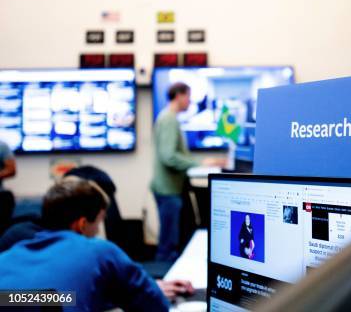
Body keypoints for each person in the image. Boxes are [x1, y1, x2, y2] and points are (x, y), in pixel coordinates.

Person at [0, 178, 194, 310]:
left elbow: (53, 299)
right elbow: (156, 306)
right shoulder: (98, 250)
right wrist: (144, 290)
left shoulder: (9, 256)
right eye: (99, 222)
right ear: (82, 224)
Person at [151, 82, 201, 262]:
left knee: (172, 239)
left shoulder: (169, 117)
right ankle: (164, 286)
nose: (190, 101)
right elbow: (169, 156)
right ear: (179, 95)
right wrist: (197, 164)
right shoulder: (169, 119)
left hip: (170, 187)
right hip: (168, 188)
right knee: (168, 245)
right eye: (188, 96)